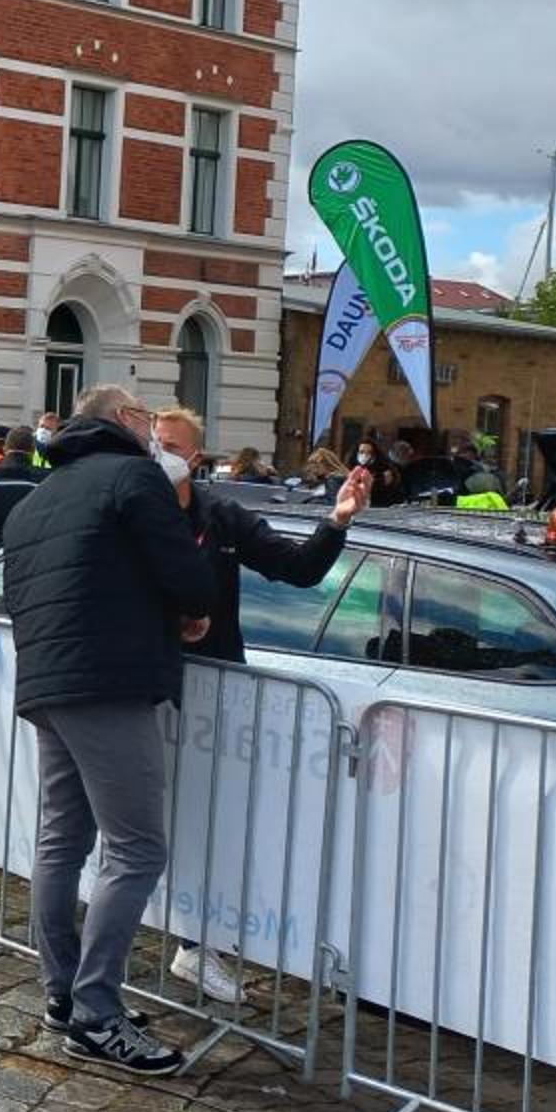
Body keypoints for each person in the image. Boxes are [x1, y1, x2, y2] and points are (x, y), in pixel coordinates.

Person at [0, 384, 217, 1076]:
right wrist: (191, 608)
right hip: (108, 679)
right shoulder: (133, 476)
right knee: (137, 848)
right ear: (125, 420)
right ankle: (95, 1011)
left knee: (62, 840)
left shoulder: (36, 498)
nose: (152, 430)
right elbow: (185, 571)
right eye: (146, 418)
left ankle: (64, 994)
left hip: (47, 680)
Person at [151, 406, 367, 1004]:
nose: (158, 454)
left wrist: (337, 520)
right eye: (152, 443)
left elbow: (296, 569)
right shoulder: (127, 507)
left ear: (196, 457)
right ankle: (98, 922)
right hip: (139, 684)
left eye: (171, 446)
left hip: (215, 693)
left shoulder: (221, 515)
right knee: (133, 817)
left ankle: (198, 944)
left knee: (211, 820)